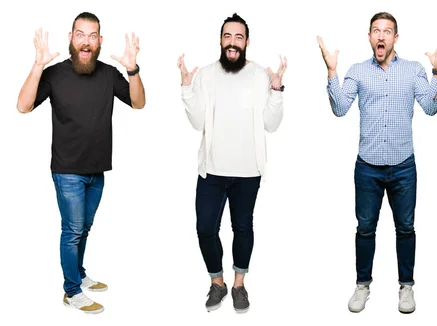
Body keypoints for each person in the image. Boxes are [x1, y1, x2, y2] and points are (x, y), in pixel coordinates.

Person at [317, 11, 437, 314]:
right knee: (365, 228)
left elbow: (430, 107)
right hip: (368, 168)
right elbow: (339, 109)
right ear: (369, 37)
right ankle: (362, 285)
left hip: (403, 166)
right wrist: (332, 71)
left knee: (406, 228)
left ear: (395, 38)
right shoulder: (358, 71)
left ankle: (406, 287)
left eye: (387, 31)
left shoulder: (414, 69)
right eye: (376, 31)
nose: (381, 36)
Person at [15, 12, 146, 314]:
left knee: (83, 228)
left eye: (92, 35)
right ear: (71, 38)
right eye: (80, 34)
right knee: (72, 230)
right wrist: (37, 65)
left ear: (100, 41)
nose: (85, 41)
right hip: (67, 171)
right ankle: (71, 291)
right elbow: (22, 106)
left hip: (97, 171)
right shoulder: (55, 74)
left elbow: (138, 103)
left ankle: (79, 274)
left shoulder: (109, 74)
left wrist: (133, 70)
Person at [177, 13, 286, 314]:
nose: (233, 43)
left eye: (239, 37)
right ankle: (218, 283)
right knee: (205, 229)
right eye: (228, 37)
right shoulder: (207, 74)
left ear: (247, 42)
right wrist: (186, 89)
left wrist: (277, 91)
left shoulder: (261, 75)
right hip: (211, 170)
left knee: (243, 227)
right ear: (221, 40)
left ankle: (239, 285)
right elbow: (197, 120)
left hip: (248, 171)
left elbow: (271, 124)